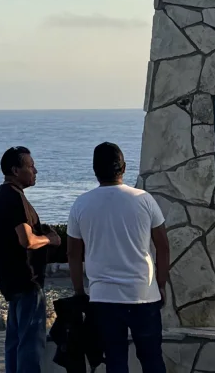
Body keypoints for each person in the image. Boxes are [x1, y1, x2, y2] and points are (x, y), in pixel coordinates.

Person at [66, 142, 169, 373]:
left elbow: (73, 253)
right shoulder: (144, 200)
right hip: (143, 294)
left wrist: (79, 291)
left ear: (95, 170)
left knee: (115, 362)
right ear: (123, 168)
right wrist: (161, 284)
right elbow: (163, 247)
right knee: (152, 359)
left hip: (104, 297)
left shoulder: (80, 205)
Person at [0, 145, 61, 373]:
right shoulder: (14, 196)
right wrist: (50, 239)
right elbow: (27, 240)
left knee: (15, 342)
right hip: (26, 280)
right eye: (31, 166)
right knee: (30, 343)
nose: (35, 171)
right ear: (15, 170)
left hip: (12, 279)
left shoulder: (2, 194)